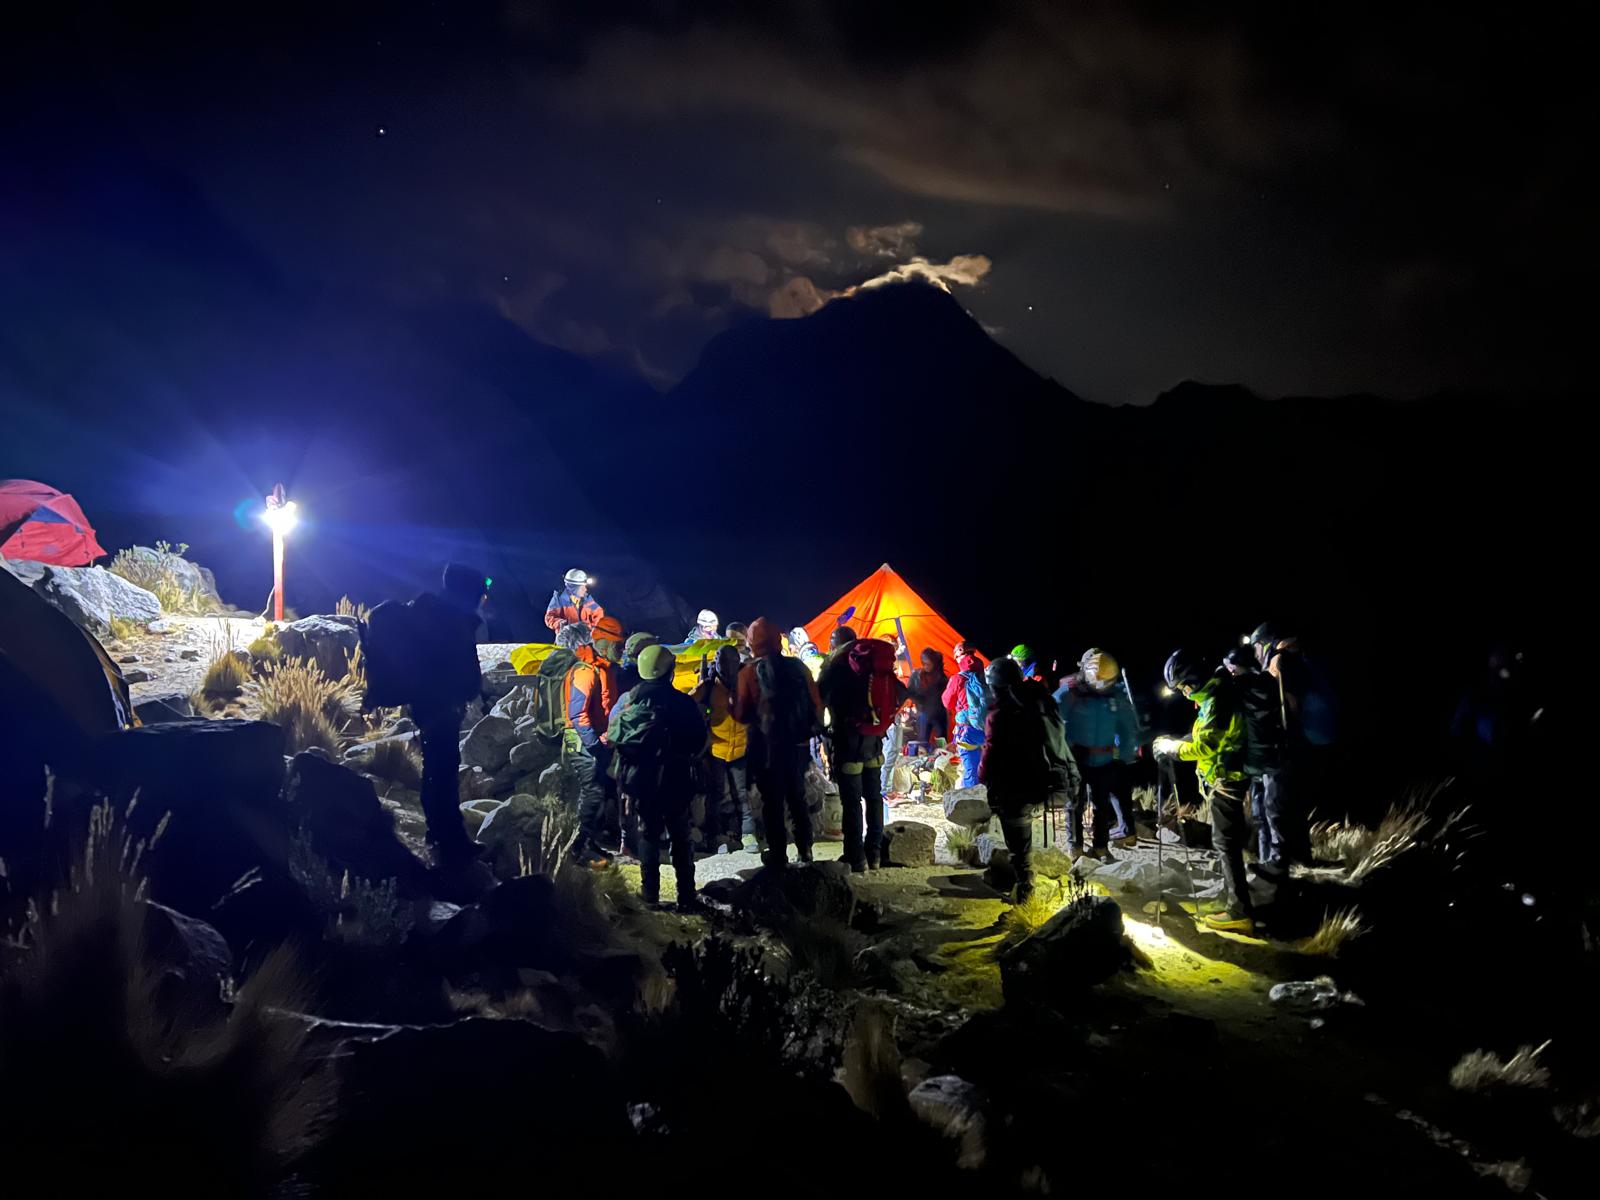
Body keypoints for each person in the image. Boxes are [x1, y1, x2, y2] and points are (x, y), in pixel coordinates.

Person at [1154, 650, 1256, 934]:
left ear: (1194, 680)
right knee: (1226, 842)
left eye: (1184, 686)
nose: (1184, 693)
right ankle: (1232, 902)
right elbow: (1204, 736)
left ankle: (1239, 912)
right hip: (1225, 778)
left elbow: (1206, 746)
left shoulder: (1217, 700)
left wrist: (1172, 749)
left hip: (1227, 780)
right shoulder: (1216, 694)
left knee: (1226, 844)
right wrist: (1176, 741)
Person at [408, 563, 495, 874]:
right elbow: (454, 666)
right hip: (439, 708)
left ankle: (446, 834)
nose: (482, 597)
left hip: (435, 706)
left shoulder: (441, 615)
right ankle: (448, 841)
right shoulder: (449, 620)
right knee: (440, 773)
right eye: (479, 591)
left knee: (440, 770)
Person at [610, 644, 710, 911]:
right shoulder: (681, 702)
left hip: (641, 779)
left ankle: (650, 893)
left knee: (648, 834)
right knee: (680, 835)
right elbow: (699, 740)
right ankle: (686, 896)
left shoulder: (628, 700)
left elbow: (614, 735)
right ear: (669, 671)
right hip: (675, 777)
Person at [980, 657, 1080, 903]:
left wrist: (983, 777)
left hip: (1016, 787)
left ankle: (1026, 891)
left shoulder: (1001, 714)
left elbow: (991, 755)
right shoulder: (1043, 701)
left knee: (1018, 842)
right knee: (1026, 826)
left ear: (996, 686)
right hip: (1051, 781)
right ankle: (1038, 879)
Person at [733, 617, 823, 867]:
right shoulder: (798, 668)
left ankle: (778, 856)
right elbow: (816, 704)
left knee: (771, 802)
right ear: (778, 640)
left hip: (766, 748)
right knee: (797, 797)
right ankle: (805, 851)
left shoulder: (748, 672)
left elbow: (741, 714)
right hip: (799, 746)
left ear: (752, 643)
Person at [1247, 623, 1334, 871]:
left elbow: (1290, 704)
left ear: (1265, 644)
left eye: (1256, 649)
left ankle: (1281, 862)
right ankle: (1301, 858)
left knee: (1277, 805)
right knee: (1292, 806)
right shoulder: (1297, 658)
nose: (1255, 656)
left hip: (1286, 746)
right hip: (1302, 747)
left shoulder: (1282, 661)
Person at [1056, 648, 1145, 857]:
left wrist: (1124, 756)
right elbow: (1052, 721)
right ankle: (1075, 847)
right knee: (1075, 804)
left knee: (1101, 804)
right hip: (1076, 758)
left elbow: (1127, 727)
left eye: (1106, 682)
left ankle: (1100, 846)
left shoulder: (1115, 695)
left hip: (1105, 760)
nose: (1102, 687)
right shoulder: (1070, 692)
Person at [818, 626, 886, 870]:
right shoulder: (874, 665)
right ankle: (875, 853)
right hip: (874, 743)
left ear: (836, 642)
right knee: (875, 798)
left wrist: (822, 731)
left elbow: (820, 698)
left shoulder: (835, 667)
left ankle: (856, 858)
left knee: (852, 802)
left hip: (847, 743)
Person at [561, 619, 621, 867]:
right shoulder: (586, 671)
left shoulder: (600, 667)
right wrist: (596, 747)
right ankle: (578, 847)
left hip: (593, 739)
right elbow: (577, 714)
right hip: (583, 742)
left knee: (597, 791)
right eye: (617, 645)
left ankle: (588, 840)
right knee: (593, 791)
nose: (621, 649)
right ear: (602, 642)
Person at [694, 642, 750, 853]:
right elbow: (689, 705)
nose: (726, 666)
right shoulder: (707, 687)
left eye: (730, 662)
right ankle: (714, 836)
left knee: (742, 794)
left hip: (740, 748)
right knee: (715, 794)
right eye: (721, 662)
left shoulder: (745, 684)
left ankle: (748, 831)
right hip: (716, 749)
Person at [942, 643, 990, 789]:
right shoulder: (987, 674)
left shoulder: (958, 679)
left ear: (958, 657)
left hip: (967, 730)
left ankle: (973, 803)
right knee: (987, 768)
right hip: (988, 728)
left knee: (971, 770)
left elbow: (947, 703)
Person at [908, 648, 951, 749]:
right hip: (923, 714)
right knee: (923, 742)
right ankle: (923, 762)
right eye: (924, 663)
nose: (926, 666)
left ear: (934, 663)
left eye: (928, 664)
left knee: (942, 742)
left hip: (939, 714)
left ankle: (942, 760)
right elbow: (909, 692)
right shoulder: (916, 675)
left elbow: (947, 695)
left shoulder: (941, 676)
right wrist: (917, 699)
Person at [545, 567, 604, 634]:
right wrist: (561, 623)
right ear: (573, 588)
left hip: (584, 641)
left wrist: (588, 628)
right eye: (582, 587)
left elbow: (599, 617)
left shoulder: (587, 600)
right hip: (565, 641)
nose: (585, 589)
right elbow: (549, 617)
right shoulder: (559, 599)